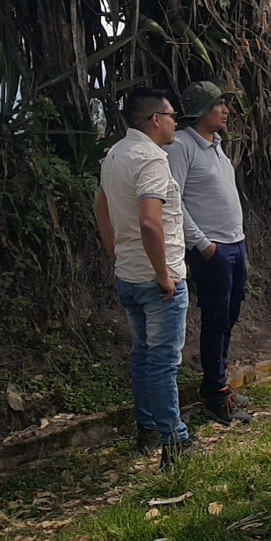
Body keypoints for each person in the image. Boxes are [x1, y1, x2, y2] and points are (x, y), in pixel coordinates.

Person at [95, 87, 192, 471]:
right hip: (157, 280)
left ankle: (148, 428)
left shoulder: (114, 155)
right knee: (163, 362)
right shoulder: (151, 160)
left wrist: (116, 254)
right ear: (155, 120)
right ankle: (175, 441)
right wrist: (164, 275)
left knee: (143, 356)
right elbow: (151, 223)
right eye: (171, 116)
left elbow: (101, 209)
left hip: (129, 274)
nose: (175, 123)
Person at [167, 81, 254, 427]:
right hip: (212, 249)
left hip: (235, 243)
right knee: (216, 319)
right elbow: (173, 200)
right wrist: (203, 244)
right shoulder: (181, 146)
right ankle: (217, 393)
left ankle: (217, 382)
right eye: (219, 105)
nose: (226, 111)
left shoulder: (216, 145)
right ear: (202, 110)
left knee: (229, 316)